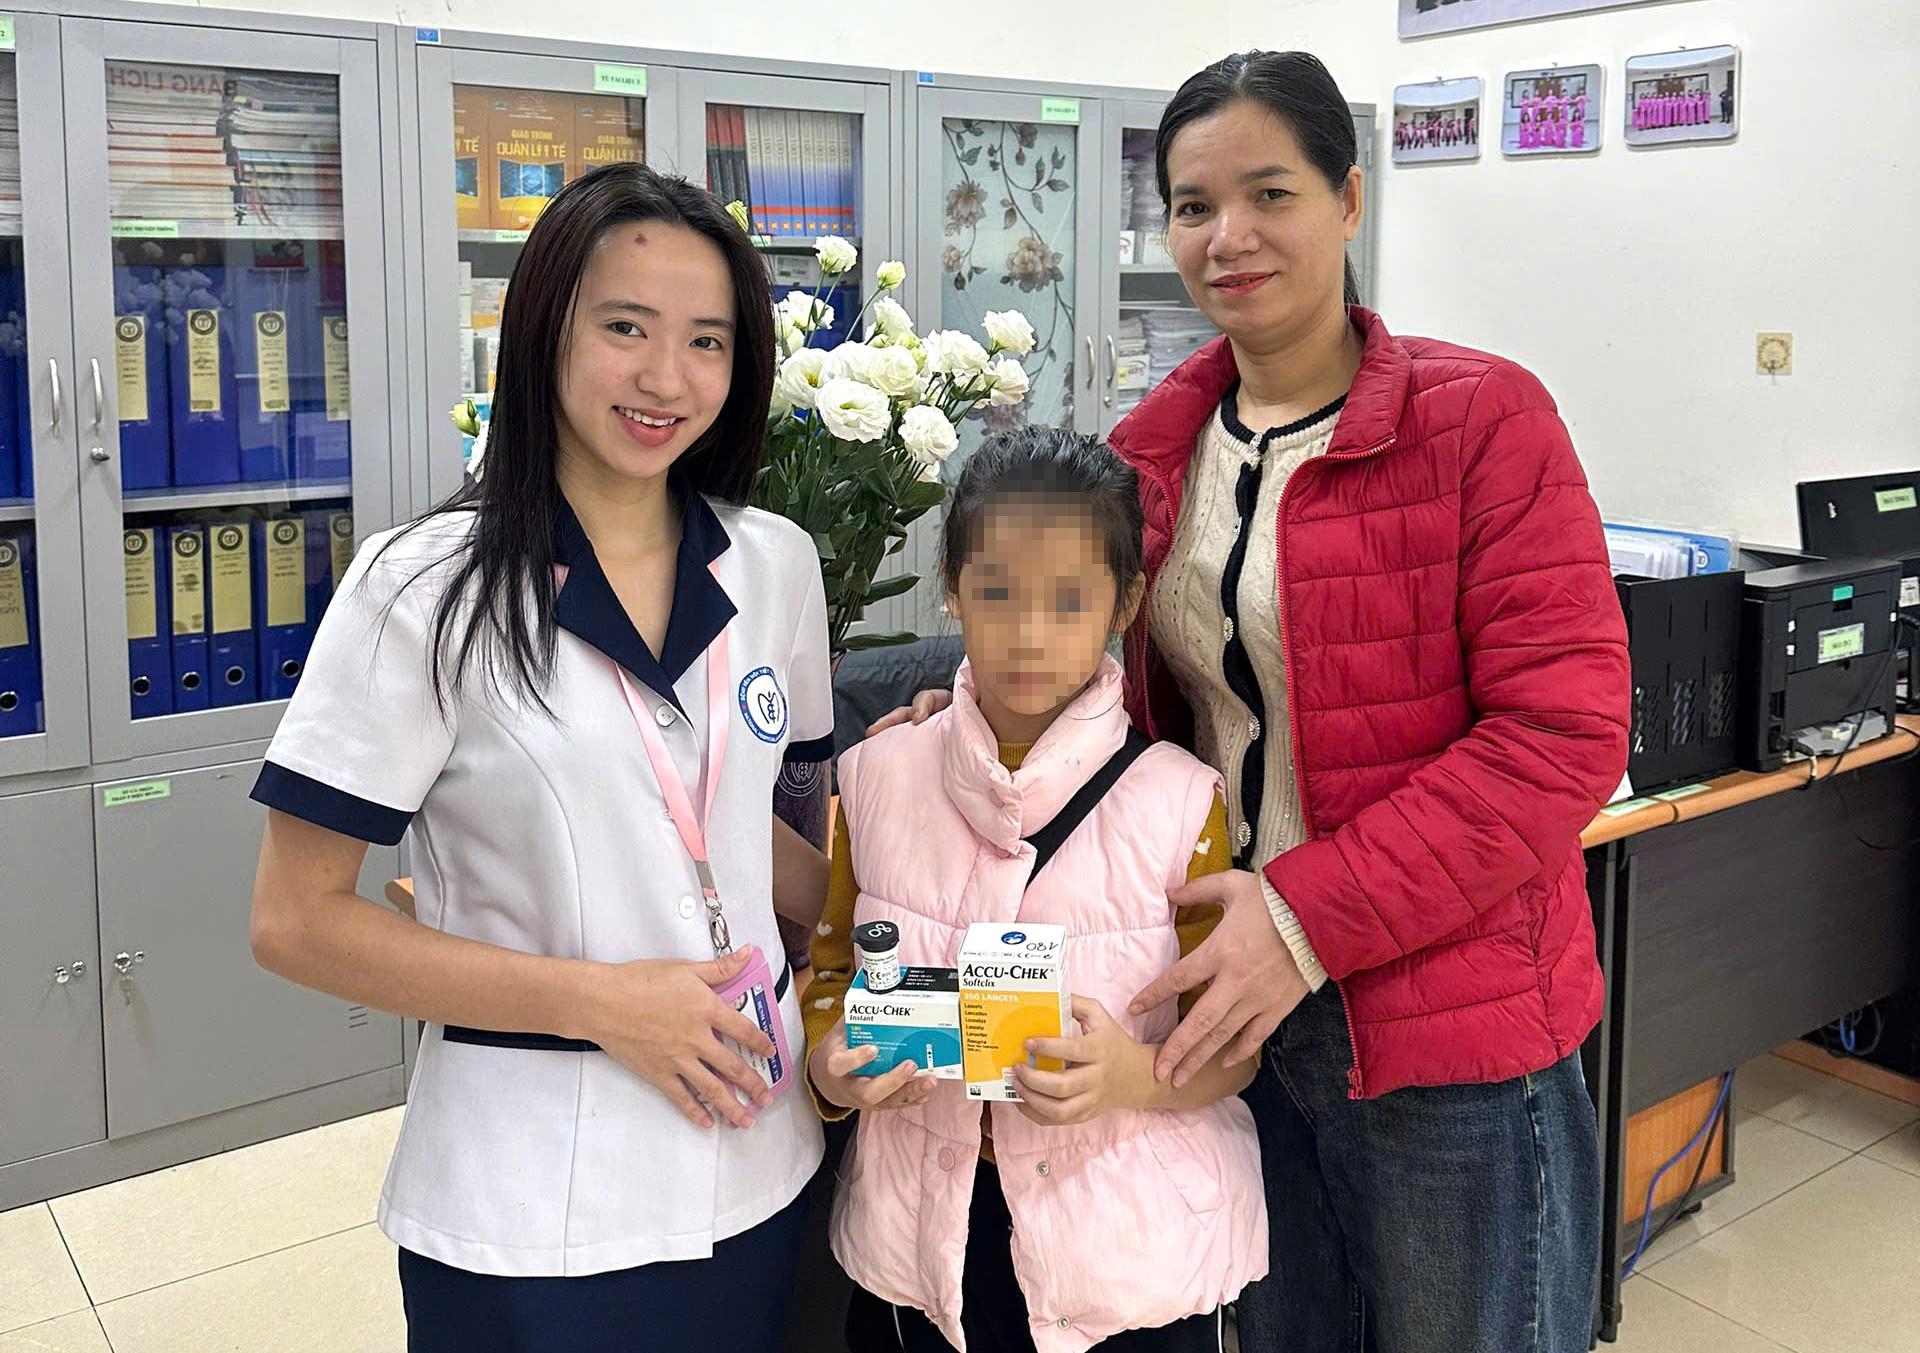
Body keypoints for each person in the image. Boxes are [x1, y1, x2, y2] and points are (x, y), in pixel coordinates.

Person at [872, 49, 1628, 1353]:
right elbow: (1081, 661)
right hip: (1226, 1004)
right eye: (1192, 205)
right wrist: (954, 725)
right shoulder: (1150, 451)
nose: (1228, 237)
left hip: (1443, 1022)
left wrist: (1303, 918)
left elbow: (1562, 736)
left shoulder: (1481, 421)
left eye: (1269, 193)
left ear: (1349, 198)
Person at [246, 162, 836, 1351]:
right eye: (626, 328)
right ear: (543, 331)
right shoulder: (425, 589)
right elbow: (294, 921)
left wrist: (943, 810)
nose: (666, 378)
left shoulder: (774, 563)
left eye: (707, 341)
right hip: (535, 1204)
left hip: (765, 1157)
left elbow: (764, 836)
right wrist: (602, 1003)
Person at [813, 429, 1268, 1352]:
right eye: (995, 592)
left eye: (1068, 600)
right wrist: (833, 1070)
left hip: (1126, 1255)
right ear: (951, 586)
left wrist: (1132, 1074)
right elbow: (828, 978)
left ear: (1124, 602)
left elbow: (1236, 1045)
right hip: (920, 1244)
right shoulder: (873, 778)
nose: (1028, 633)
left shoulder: (1182, 801)